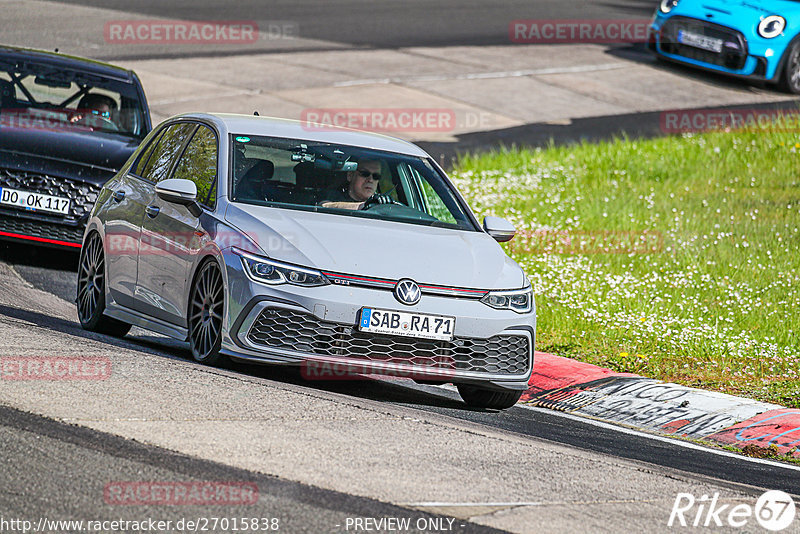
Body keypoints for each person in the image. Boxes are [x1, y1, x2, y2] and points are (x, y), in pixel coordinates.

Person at [319, 159, 394, 210]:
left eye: (376, 176)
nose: (370, 180)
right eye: (365, 174)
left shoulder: (383, 203)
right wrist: (364, 206)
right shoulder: (333, 195)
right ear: (350, 175)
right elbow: (324, 205)